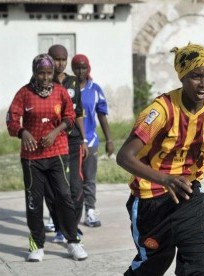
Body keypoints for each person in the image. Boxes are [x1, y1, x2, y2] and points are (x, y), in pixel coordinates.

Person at [116, 43, 204, 276]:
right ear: (182, 77)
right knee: (154, 263)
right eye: (196, 76)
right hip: (151, 199)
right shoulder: (161, 110)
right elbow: (124, 157)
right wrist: (165, 179)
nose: (203, 83)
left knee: (201, 265)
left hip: (188, 194)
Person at [6, 54, 88, 262]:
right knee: (34, 201)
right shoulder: (24, 94)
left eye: (49, 73)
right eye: (41, 73)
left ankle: (73, 242)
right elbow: (12, 119)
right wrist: (23, 132)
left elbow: (70, 117)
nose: (45, 77)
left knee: (64, 197)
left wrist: (55, 132)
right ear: (34, 72)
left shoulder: (60, 92)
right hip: (32, 158)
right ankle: (37, 245)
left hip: (57, 153)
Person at [44, 44, 89, 243]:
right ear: (49, 59)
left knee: (75, 186)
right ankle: (60, 228)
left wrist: (85, 139)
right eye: (56, 59)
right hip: (52, 143)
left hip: (72, 142)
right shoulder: (41, 81)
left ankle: (73, 226)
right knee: (54, 189)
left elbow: (78, 113)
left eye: (63, 59)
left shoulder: (73, 82)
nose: (60, 63)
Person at [72, 53, 114, 227]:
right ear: (73, 69)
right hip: (71, 142)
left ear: (88, 68)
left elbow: (102, 116)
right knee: (71, 180)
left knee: (89, 178)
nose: (80, 71)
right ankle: (66, 214)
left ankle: (90, 211)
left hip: (90, 141)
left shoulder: (95, 89)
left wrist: (109, 139)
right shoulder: (68, 88)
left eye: (84, 67)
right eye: (77, 67)